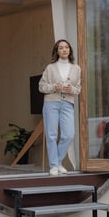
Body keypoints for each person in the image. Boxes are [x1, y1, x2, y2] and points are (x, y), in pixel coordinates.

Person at [39, 39, 81, 176]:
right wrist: (53, 87)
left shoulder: (76, 68)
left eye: (66, 47)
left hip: (68, 103)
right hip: (51, 102)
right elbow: (41, 87)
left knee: (69, 134)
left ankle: (57, 162)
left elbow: (78, 89)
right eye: (61, 47)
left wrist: (71, 89)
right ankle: (54, 166)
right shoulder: (50, 68)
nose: (64, 50)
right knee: (51, 135)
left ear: (70, 50)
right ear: (57, 51)